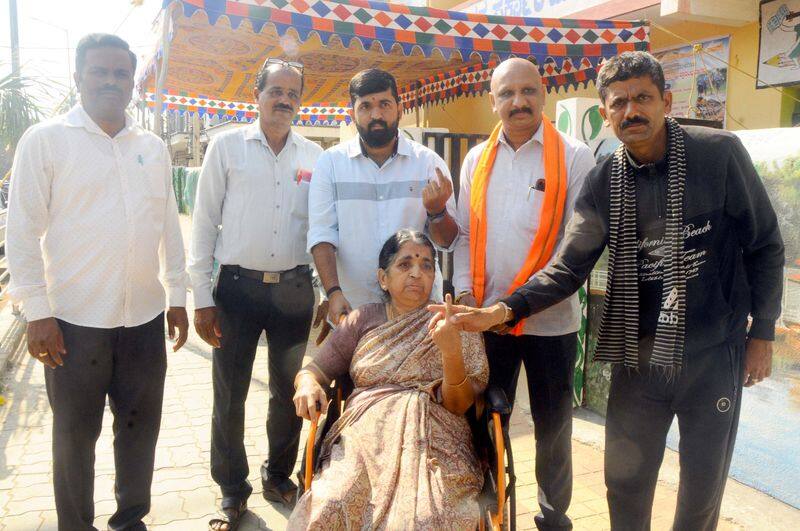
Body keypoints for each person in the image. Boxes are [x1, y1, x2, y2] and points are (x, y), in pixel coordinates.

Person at [434, 51, 785, 531]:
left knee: (702, 485)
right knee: (625, 480)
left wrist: (761, 333)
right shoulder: (604, 180)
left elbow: (764, 244)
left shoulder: (718, 154)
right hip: (637, 358)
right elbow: (569, 264)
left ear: (665, 100)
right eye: (618, 103)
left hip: (712, 352)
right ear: (605, 113)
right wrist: (502, 311)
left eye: (642, 98)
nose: (631, 111)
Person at [6, 33, 189, 531]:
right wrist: (36, 312)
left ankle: (131, 521)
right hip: (72, 322)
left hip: (143, 321)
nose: (111, 81)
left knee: (139, 432)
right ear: (79, 78)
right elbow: (21, 231)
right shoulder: (46, 141)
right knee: (73, 438)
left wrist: (177, 296)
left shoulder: (151, 147)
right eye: (100, 72)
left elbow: (168, 223)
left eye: (120, 73)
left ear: (132, 81)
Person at [452, 57, 595, 530]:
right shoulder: (476, 159)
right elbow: (468, 236)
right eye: (507, 93)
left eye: (528, 91)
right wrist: (467, 294)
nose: (519, 101)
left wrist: (511, 306)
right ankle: (486, 506)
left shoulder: (574, 156)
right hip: (487, 322)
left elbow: (574, 249)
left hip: (552, 322)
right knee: (485, 416)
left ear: (543, 94)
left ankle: (554, 516)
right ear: (493, 103)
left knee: (553, 426)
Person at [188, 58, 324, 529]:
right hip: (236, 291)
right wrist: (201, 296)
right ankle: (232, 487)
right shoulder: (226, 148)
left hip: (293, 290)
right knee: (230, 394)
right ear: (258, 95)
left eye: (293, 93)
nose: (284, 99)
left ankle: (278, 474)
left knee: (290, 392)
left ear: (299, 101)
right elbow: (204, 222)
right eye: (276, 91)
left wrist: (328, 289)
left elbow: (324, 227)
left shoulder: (314, 156)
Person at [288, 229, 488, 529]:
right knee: (332, 504)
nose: (417, 274)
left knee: (430, 517)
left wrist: (451, 354)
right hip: (363, 439)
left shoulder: (456, 322)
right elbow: (314, 370)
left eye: (426, 265)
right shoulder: (362, 319)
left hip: (436, 436)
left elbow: (460, 405)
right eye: (405, 264)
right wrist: (306, 384)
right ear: (383, 278)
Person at [308, 69, 457, 334]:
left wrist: (437, 212)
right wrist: (332, 292)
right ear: (352, 112)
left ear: (399, 109)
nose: (376, 115)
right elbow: (322, 235)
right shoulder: (330, 163)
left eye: (384, 105)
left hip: (418, 314)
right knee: (349, 378)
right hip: (351, 311)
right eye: (365, 106)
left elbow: (448, 242)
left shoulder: (429, 164)